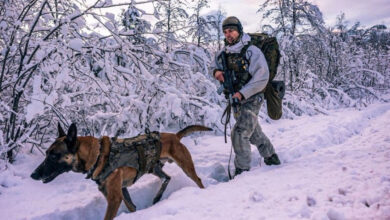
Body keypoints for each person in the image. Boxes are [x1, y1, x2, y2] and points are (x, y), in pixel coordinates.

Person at [211, 16, 280, 177]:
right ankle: (271, 157)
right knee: (253, 133)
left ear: (239, 30)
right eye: (226, 32)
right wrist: (217, 72)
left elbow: (262, 78)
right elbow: (213, 66)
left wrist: (242, 93)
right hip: (235, 100)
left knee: (240, 132)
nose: (228, 34)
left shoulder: (251, 51)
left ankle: (242, 173)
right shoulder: (223, 53)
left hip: (252, 98)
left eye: (232, 31)